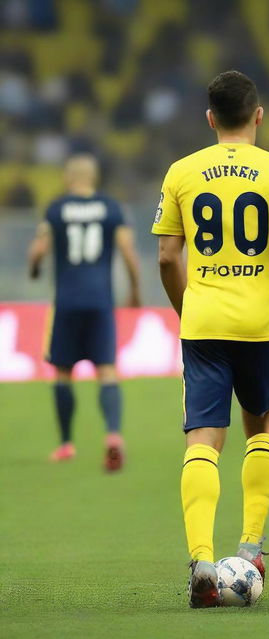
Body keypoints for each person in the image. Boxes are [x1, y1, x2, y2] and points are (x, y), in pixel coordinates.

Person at [152, 70, 269, 608]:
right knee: (263, 428)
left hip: (205, 323)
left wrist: (189, 307)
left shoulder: (181, 172)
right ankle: (250, 547)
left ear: (210, 119)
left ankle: (202, 559)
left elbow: (165, 255)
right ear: (258, 115)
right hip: (262, 324)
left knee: (202, 440)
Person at [28, 154, 141, 471]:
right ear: (93, 177)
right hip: (100, 301)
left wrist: (35, 268)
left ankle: (66, 444)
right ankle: (114, 436)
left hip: (66, 301)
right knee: (106, 370)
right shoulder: (111, 207)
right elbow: (128, 252)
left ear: (69, 177)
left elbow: (39, 250)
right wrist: (134, 290)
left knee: (63, 373)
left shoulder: (57, 208)